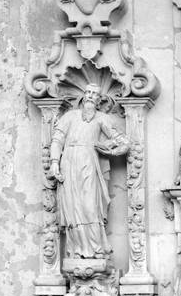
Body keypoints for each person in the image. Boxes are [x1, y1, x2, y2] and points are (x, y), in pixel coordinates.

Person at [49, 84, 129, 260]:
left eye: (95, 94)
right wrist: (55, 162)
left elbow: (122, 141)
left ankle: (96, 248)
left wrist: (109, 149)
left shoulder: (102, 118)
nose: (91, 96)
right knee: (72, 205)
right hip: (68, 162)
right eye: (89, 93)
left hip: (89, 162)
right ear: (84, 95)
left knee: (89, 204)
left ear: (99, 99)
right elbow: (57, 140)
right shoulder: (70, 116)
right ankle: (76, 249)